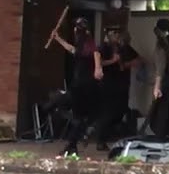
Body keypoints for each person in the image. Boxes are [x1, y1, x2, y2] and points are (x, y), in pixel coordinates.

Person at [52, 17, 104, 157]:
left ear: (77, 29)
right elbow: (73, 50)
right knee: (77, 116)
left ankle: (78, 138)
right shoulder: (81, 43)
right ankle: (74, 143)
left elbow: (96, 52)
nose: (74, 30)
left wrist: (98, 68)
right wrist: (58, 39)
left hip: (84, 84)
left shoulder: (87, 40)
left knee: (74, 113)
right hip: (80, 83)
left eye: (76, 28)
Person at [95, 25, 141, 149]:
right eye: (114, 33)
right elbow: (99, 62)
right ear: (109, 35)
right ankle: (100, 140)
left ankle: (111, 135)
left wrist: (126, 65)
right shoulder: (103, 48)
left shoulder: (123, 48)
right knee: (107, 113)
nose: (117, 36)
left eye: (118, 33)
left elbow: (138, 60)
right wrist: (113, 61)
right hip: (108, 86)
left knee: (120, 111)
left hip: (122, 86)